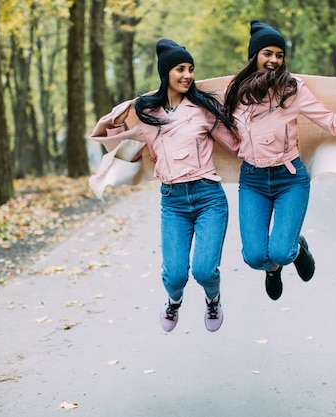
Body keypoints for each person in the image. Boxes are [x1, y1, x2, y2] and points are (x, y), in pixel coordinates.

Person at [90, 39, 238, 332]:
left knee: (205, 271)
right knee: (174, 277)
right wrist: (118, 124)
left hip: (209, 197)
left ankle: (213, 299)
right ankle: (173, 301)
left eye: (191, 69)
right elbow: (126, 148)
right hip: (173, 202)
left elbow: (236, 145)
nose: (187, 75)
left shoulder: (203, 110)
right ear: (166, 72)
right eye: (180, 68)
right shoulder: (148, 114)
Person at [222, 20, 336, 300]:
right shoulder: (236, 93)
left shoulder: (293, 89)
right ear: (254, 56)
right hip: (252, 181)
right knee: (254, 257)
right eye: (267, 53)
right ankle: (273, 268)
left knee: (280, 250)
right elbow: (212, 122)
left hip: (289, 179)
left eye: (279, 54)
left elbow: (334, 125)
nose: (274, 60)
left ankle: (294, 249)